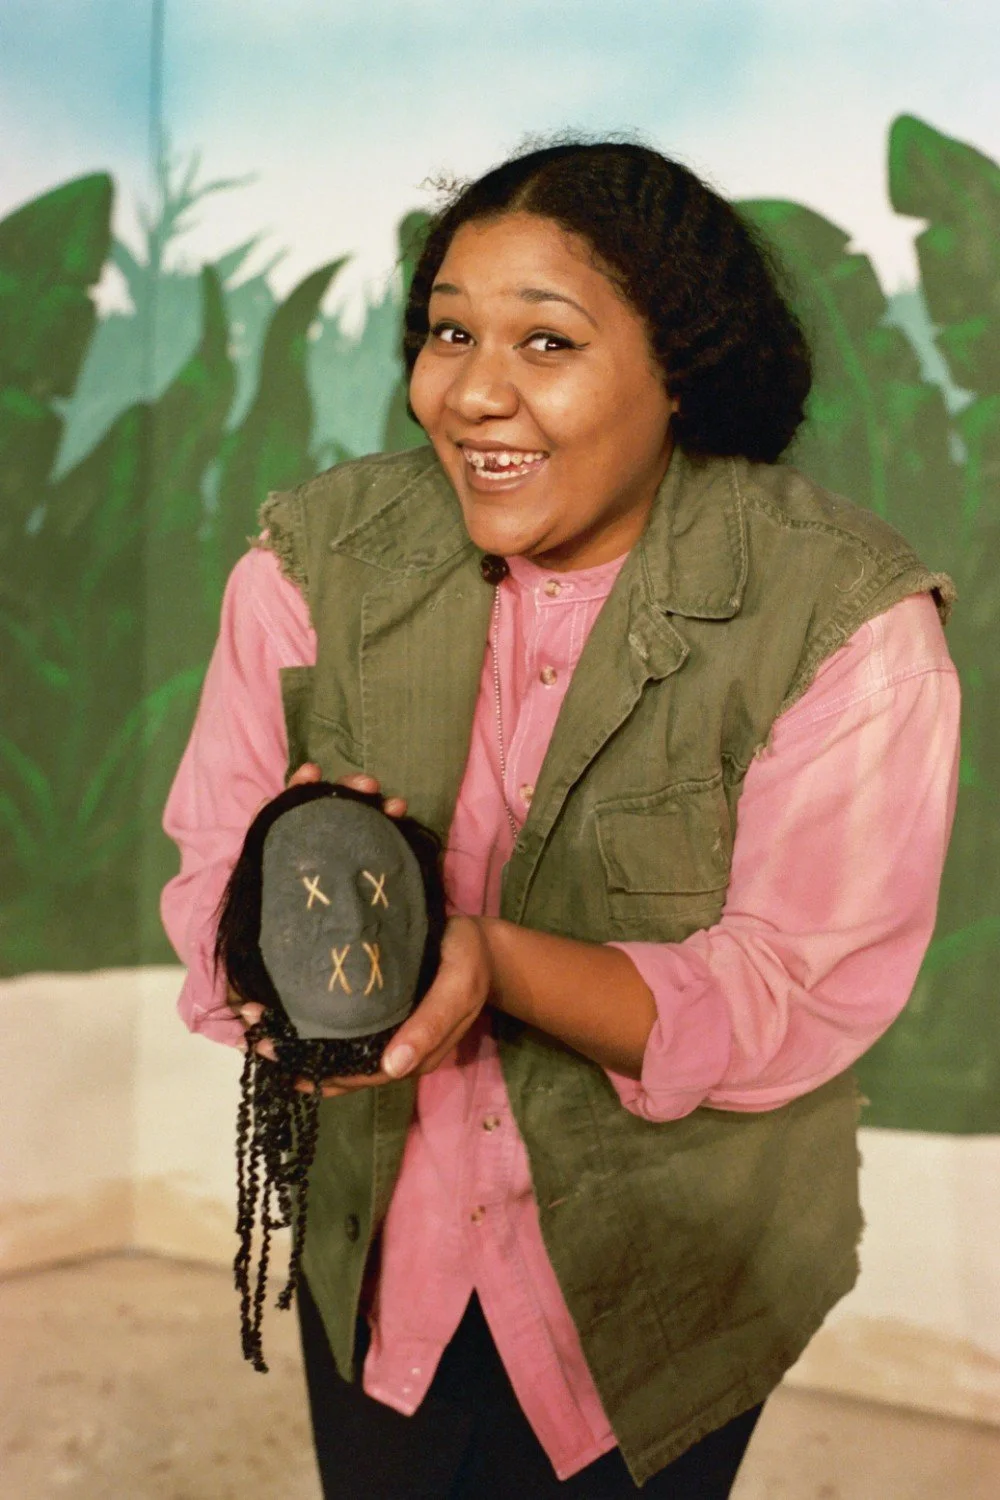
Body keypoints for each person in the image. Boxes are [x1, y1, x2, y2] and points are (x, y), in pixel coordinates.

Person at [161, 140, 960, 1497]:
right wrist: (285, 920)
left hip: (666, 1295)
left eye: (547, 340)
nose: (474, 389)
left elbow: (792, 992)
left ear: (680, 372)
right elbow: (208, 882)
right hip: (380, 1274)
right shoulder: (305, 569)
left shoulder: (848, 623)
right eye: (450, 331)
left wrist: (481, 956)